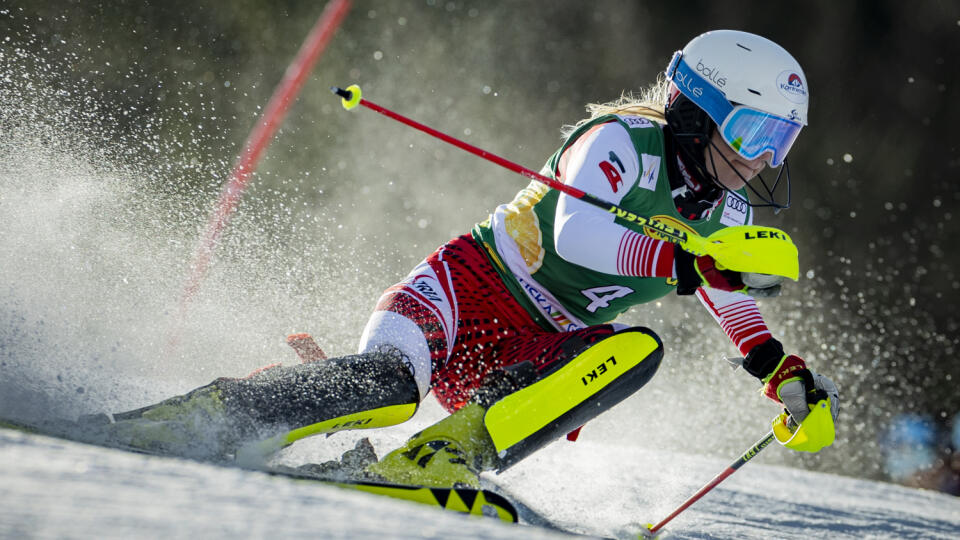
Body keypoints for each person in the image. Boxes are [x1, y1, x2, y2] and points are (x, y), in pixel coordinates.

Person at [87, 30, 840, 488]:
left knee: (634, 353)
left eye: (779, 143)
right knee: (384, 387)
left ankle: (441, 457)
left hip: (532, 348)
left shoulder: (727, 207)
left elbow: (729, 295)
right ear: (696, 111)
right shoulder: (617, 141)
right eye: (751, 134)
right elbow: (577, 235)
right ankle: (222, 410)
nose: (761, 160)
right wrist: (688, 266)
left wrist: (777, 369)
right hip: (463, 290)